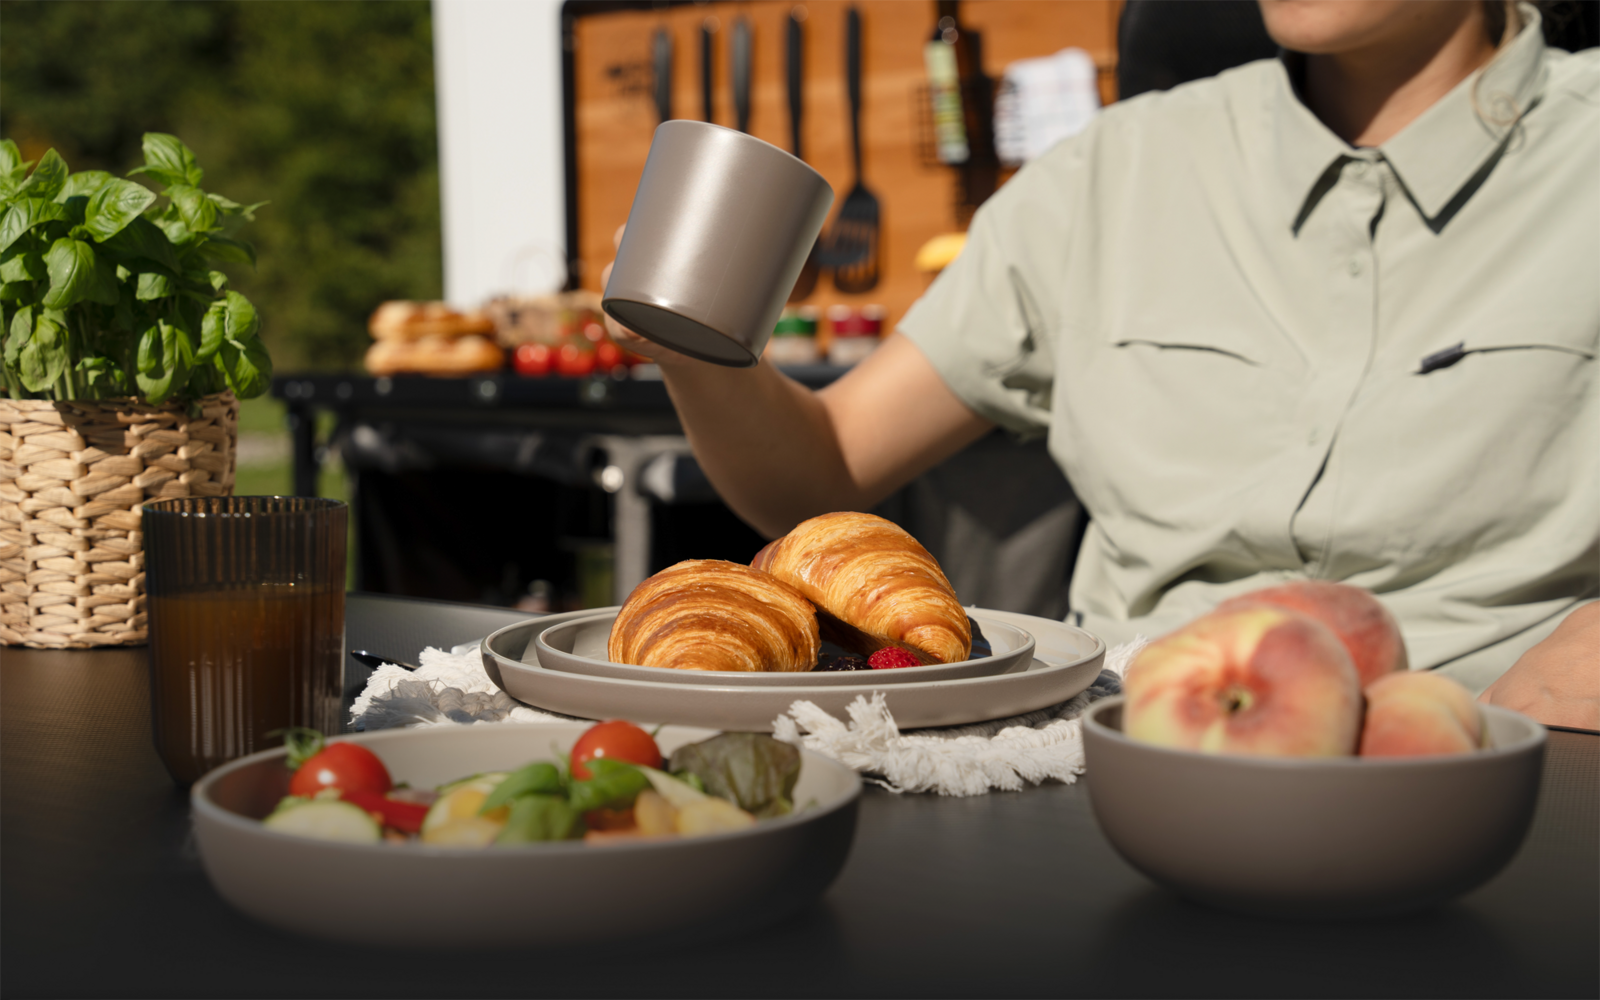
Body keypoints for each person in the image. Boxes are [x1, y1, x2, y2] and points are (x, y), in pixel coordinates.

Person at [604, 1, 1598, 729]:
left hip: (1494, 766)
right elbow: (827, 470)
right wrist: (697, 347)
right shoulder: (1110, 170)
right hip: (1115, 768)